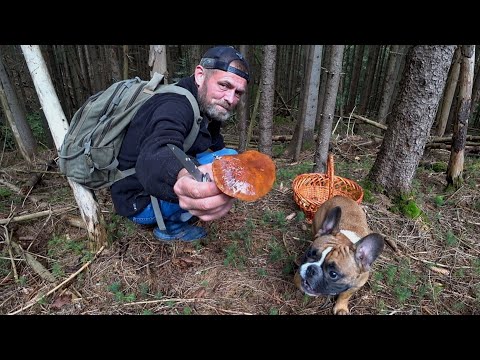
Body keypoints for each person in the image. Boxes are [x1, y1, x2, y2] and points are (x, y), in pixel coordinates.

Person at [110, 45, 250, 242]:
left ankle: (177, 209)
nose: (230, 98)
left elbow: (216, 143)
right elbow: (156, 153)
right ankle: (171, 228)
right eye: (224, 85)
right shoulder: (174, 105)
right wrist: (185, 175)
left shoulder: (208, 103)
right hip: (137, 202)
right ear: (200, 75)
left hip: (143, 185)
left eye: (238, 92)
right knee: (225, 163)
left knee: (230, 156)